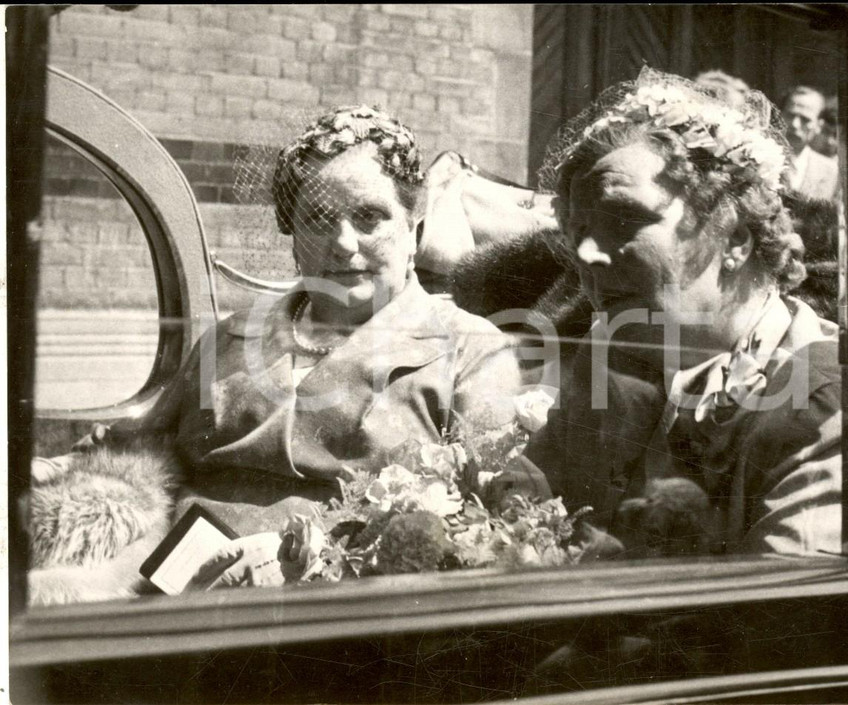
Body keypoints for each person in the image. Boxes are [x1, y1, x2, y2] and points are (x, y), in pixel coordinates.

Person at [39, 106, 523, 593]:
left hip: (336, 611)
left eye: (369, 217)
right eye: (317, 218)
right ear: (293, 241)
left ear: (414, 230)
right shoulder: (233, 337)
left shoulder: (467, 350)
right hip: (168, 586)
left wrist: (307, 561)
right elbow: (130, 445)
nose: (342, 242)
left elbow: (492, 518)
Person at [496, 68, 848, 555]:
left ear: (734, 239)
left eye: (624, 220)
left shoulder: (824, 405)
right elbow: (539, 497)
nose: (587, 255)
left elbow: (779, 625)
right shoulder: (617, 352)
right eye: (577, 231)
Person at [780, 86, 838, 200]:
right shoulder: (757, 158)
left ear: (818, 126)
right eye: (790, 115)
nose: (795, 124)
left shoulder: (830, 170)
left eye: (805, 119)